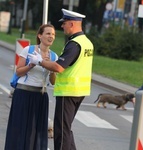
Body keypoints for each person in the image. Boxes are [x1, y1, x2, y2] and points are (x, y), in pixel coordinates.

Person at [28, 8, 94, 150]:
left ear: (71, 24)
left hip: (68, 92)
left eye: (64, 23)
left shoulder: (74, 44)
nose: (62, 26)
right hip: (79, 91)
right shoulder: (87, 42)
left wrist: (39, 61)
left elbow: (59, 67)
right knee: (66, 128)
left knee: (61, 131)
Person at [4, 24, 58, 150]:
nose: (51, 36)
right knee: (19, 129)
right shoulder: (28, 50)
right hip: (23, 93)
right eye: (48, 33)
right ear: (40, 35)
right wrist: (32, 64)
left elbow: (53, 82)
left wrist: (51, 69)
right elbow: (18, 71)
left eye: (53, 34)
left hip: (40, 96)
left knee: (36, 132)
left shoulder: (54, 56)